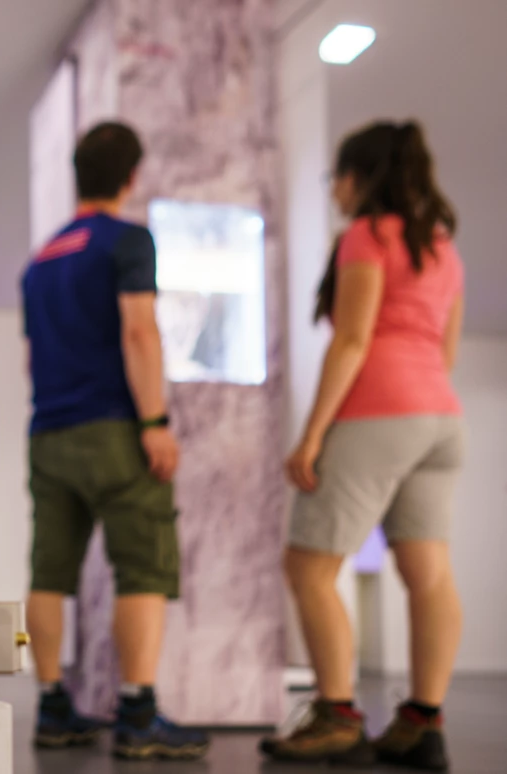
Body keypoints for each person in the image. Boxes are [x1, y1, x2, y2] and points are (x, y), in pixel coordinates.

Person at [261, 120, 464, 771]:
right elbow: (446, 350)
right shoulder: (442, 247)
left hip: (378, 410)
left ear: (357, 176)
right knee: (427, 574)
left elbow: (351, 341)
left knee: (308, 566)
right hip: (438, 417)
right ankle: (421, 723)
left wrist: (313, 434)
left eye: (335, 180)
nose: (334, 193)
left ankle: (337, 715)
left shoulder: (365, 236)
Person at [21, 121, 209, 761]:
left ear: (77, 176)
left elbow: (31, 357)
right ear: (131, 176)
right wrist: (154, 422)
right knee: (142, 567)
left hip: (48, 432)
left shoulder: (39, 262)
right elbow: (140, 333)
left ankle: (51, 706)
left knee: (50, 571)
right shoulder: (128, 241)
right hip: (112, 430)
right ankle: (137, 715)